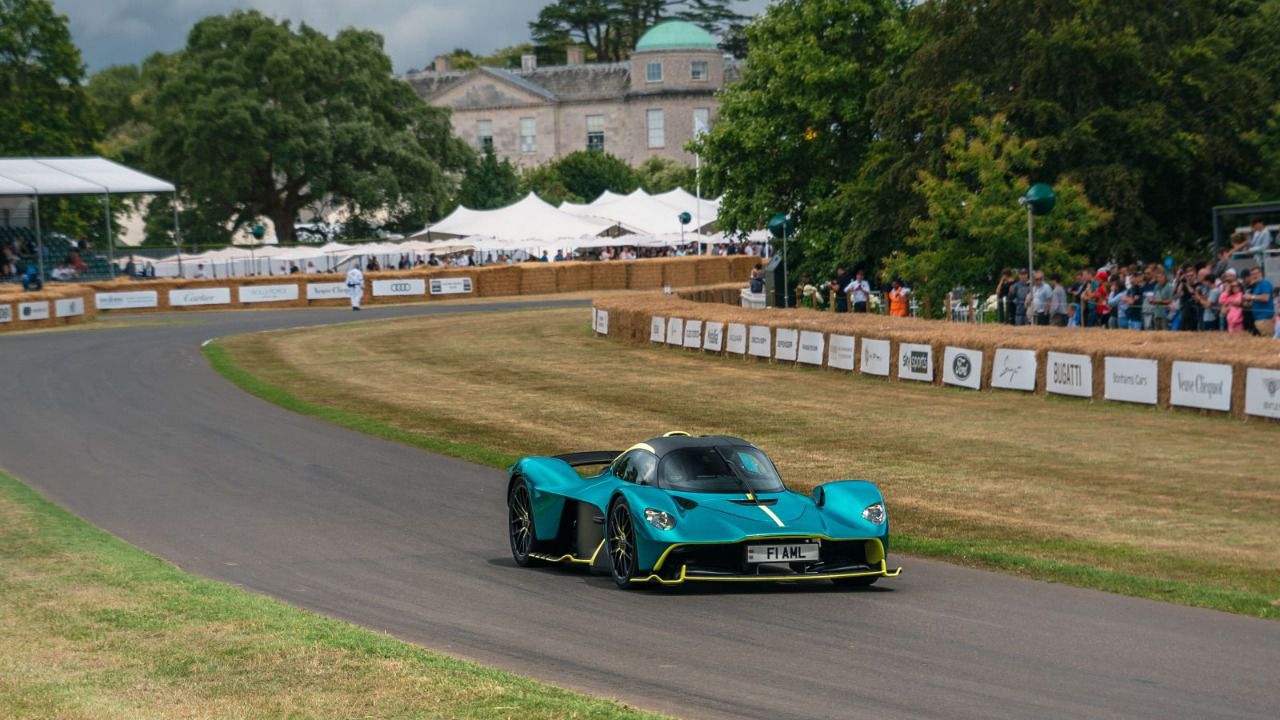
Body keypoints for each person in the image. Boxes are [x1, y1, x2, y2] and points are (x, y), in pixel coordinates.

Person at [1244, 267, 1274, 337]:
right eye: (1252, 274)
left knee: (1267, 341)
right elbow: (1257, 300)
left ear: (1261, 273)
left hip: (1265, 318)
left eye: (1256, 273)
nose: (1254, 276)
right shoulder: (1257, 285)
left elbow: (1266, 298)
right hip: (1258, 319)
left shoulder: (1265, 283)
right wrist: (1248, 303)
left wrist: (1251, 297)